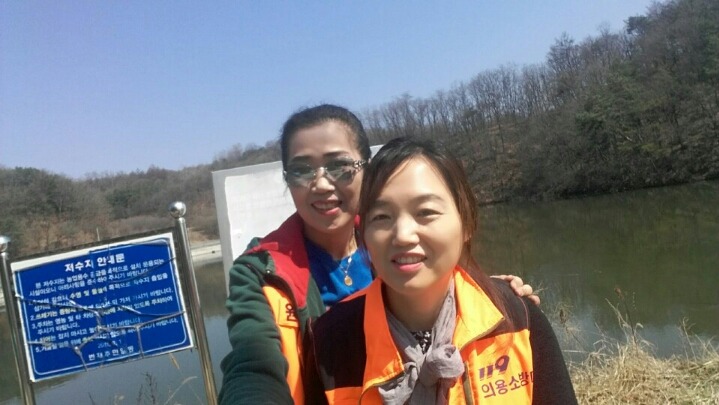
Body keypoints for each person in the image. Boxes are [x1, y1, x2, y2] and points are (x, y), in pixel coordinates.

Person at [218, 105, 539, 405]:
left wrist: (494, 294)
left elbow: (455, 290)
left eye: (339, 166)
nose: (322, 184)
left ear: (367, 171)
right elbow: (252, 363)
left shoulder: (400, 240)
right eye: (302, 170)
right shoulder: (263, 271)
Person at [305, 137, 576, 404]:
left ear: (466, 222)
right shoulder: (329, 343)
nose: (403, 235)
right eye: (382, 217)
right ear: (364, 234)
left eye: (425, 212)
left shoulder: (517, 318)